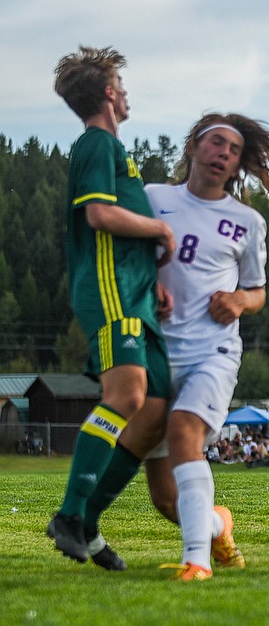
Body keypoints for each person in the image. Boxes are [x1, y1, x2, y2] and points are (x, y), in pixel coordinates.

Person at [129, 113, 269, 581]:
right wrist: (144, 289)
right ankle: (218, 525)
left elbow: (258, 290)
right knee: (164, 499)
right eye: (215, 143)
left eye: (233, 149)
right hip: (157, 353)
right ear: (194, 148)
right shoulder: (155, 198)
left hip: (213, 354)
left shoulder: (247, 221)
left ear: (238, 163)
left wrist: (240, 299)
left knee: (184, 431)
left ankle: (196, 563)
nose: (223, 153)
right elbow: (127, 259)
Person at [47, 46, 176, 567]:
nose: (125, 92)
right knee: (126, 397)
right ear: (108, 92)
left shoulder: (112, 148)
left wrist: (154, 275)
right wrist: (161, 229)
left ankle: (90, 523)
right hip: (110, 289)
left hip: (136, 292)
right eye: (120, 84)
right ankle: (71, 514)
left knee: (157, 410)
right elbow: (100, 216)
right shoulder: (97, 143)